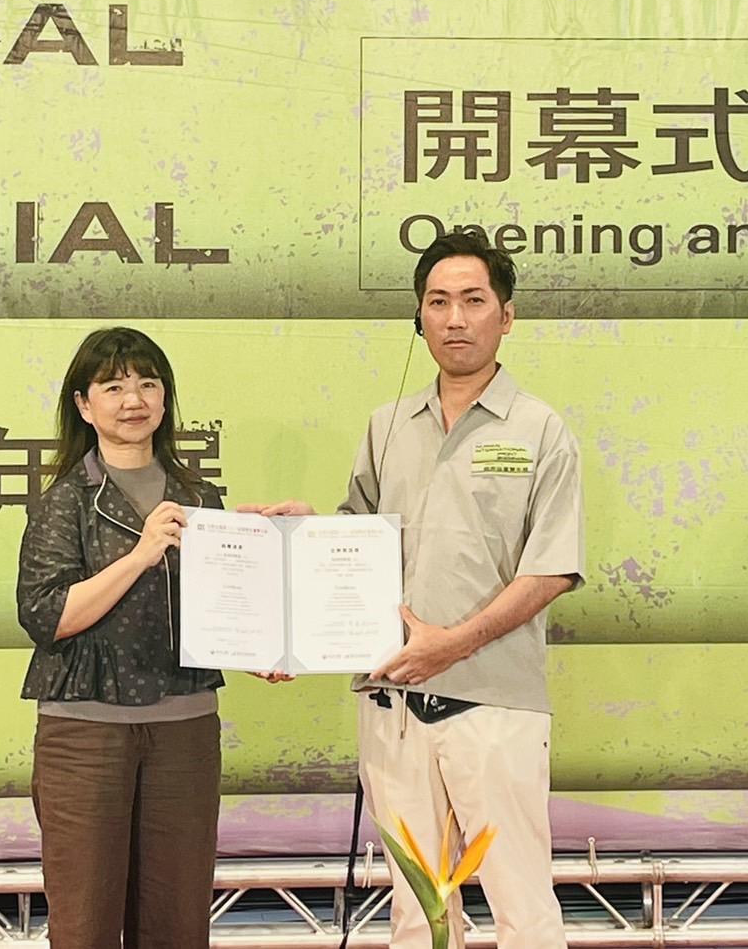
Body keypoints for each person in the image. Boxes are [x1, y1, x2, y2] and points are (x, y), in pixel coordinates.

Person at [250, 228, 585, 947]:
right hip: (393, 702)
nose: (455, 318)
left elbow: (551, 568)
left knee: (522, 908)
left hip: (495, 705)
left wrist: (452, 645)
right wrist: (306, 534)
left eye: (473, 300)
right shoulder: (387, 426)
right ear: (419, 317)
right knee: (418, 912)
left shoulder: (540, 430)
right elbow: (354, 543)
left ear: (506, 316)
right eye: (438, 302)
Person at [16, 327, 224, 949]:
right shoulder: (64, 501)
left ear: (165, 398)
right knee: (85, 922)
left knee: (178, 920)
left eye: (148, 384)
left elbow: (223, 607)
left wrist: (267, 641)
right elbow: (47, 615)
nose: (134, 400)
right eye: (113, 387)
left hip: (186, 730)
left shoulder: (200, 499)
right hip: (84, 735)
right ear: (84, 405)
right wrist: (139, 555)